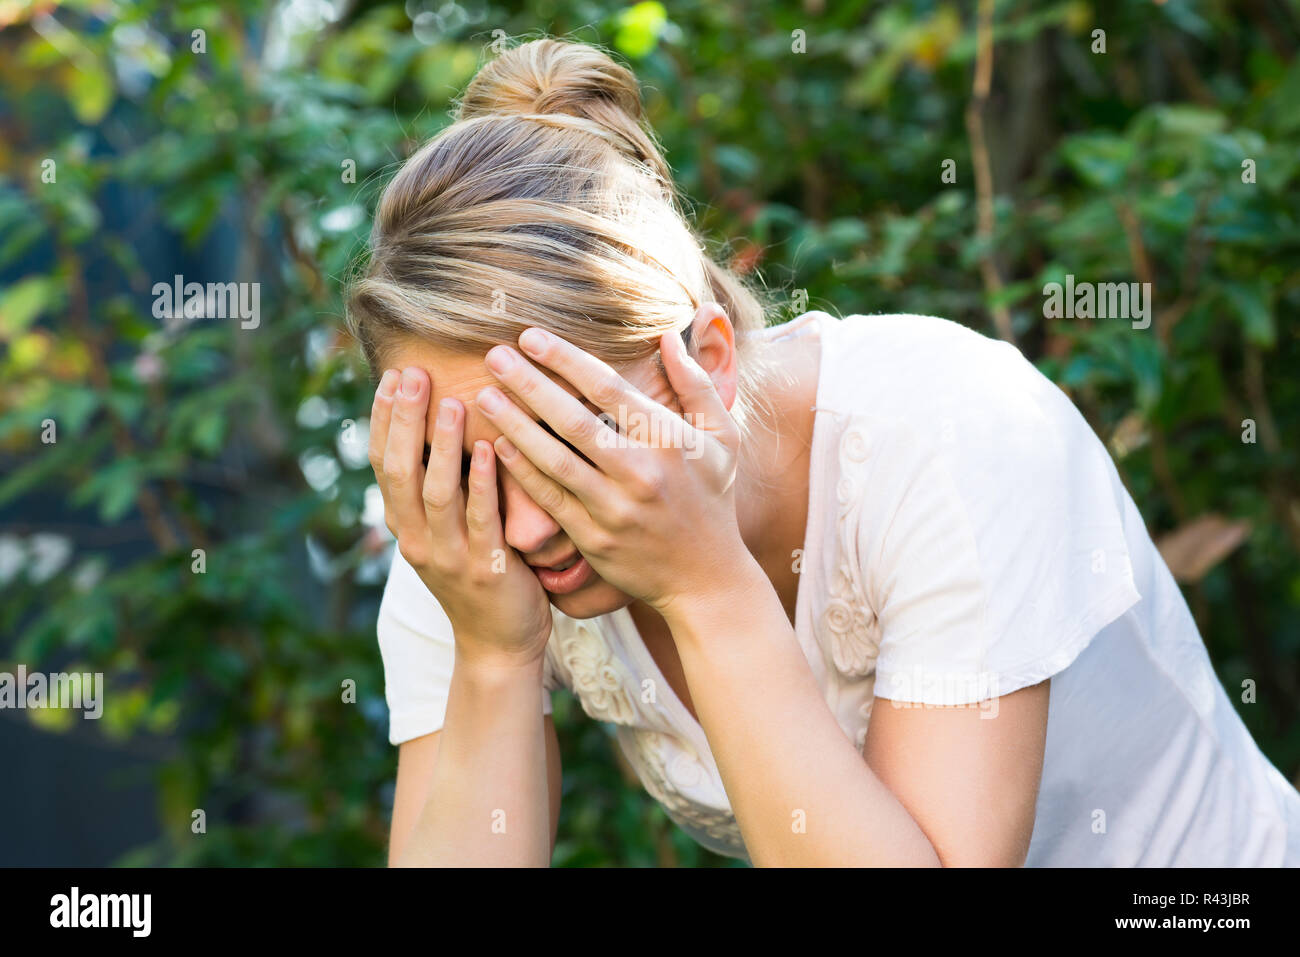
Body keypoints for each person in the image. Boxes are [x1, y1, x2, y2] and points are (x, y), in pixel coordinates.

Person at [344, 37, 1300, 867]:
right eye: (473, 462)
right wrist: (494, 655)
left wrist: (707, 588)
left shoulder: (952, 427)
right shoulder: (465, 536)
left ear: (705, 362)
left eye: (564, 443)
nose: (522, 522)